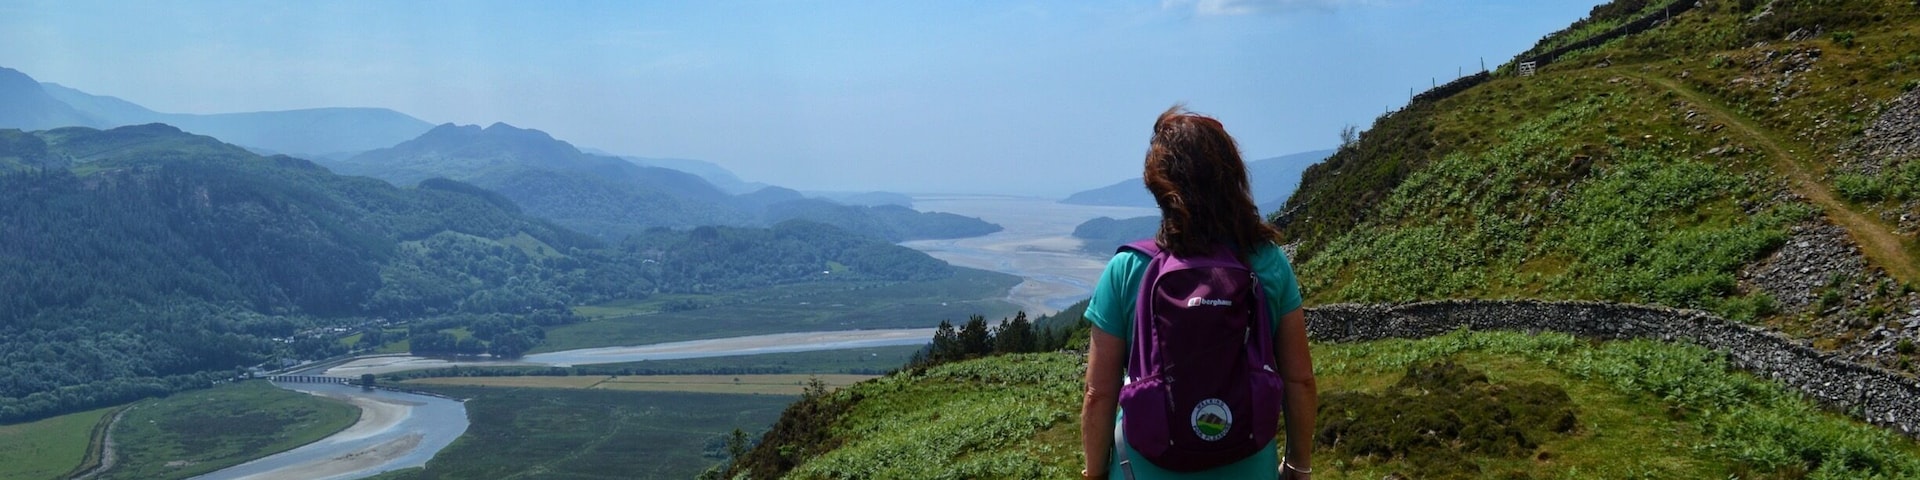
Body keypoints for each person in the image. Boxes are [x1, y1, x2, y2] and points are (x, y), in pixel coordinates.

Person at [1080, 105, 1317, 480]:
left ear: (1160, 186)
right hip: (1249, 464)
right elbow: (1300, 379)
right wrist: (1298, 464)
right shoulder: (1268, 263)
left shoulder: (1127, 270)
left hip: (1145, 467)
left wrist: (1094, 473)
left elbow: (1098, 394)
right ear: (1232, 178)